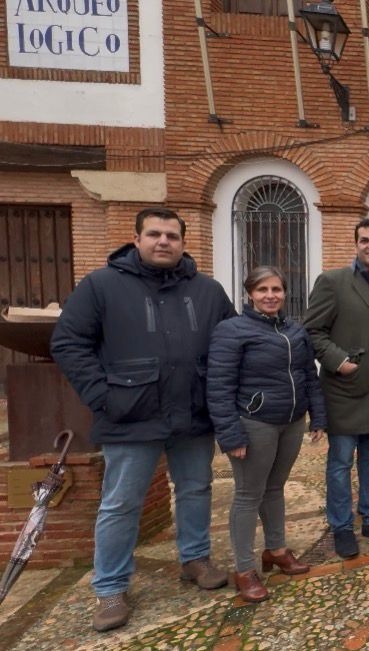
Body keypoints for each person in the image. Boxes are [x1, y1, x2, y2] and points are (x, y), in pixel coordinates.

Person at [51, 207, 236, 632]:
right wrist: (102, 396)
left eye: (172, 235)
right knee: (120, 503)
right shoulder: (102, 285)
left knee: (196, 489)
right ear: (136, 239)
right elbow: (68, 341)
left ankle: (195, 559)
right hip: (131, 416)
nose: (163, 241)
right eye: (154, 234)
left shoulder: (207, 291)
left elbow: (229, 344)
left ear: (184, 242)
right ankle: (111, 586)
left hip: (192, 413)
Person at [207, 266, 325, 602]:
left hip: (291, 422)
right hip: (253, 424)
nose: (270, 295)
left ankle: (275, 549)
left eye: (276, 289)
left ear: (285, 292)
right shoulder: (231, 331)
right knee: (248, 494)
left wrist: (317, 416)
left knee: (275, 488)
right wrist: (231, 435)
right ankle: (244, 568)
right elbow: (218, 386)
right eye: (262, 290)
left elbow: (308, 376)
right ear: (249, 294)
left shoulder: (295, 330)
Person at [304, 218, 369, 559]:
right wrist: (338, 360)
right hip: (344, 388)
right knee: (340, 461)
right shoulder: (333, 281)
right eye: (365, 240)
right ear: (356, 243)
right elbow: (313, 330)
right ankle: (342, 526)